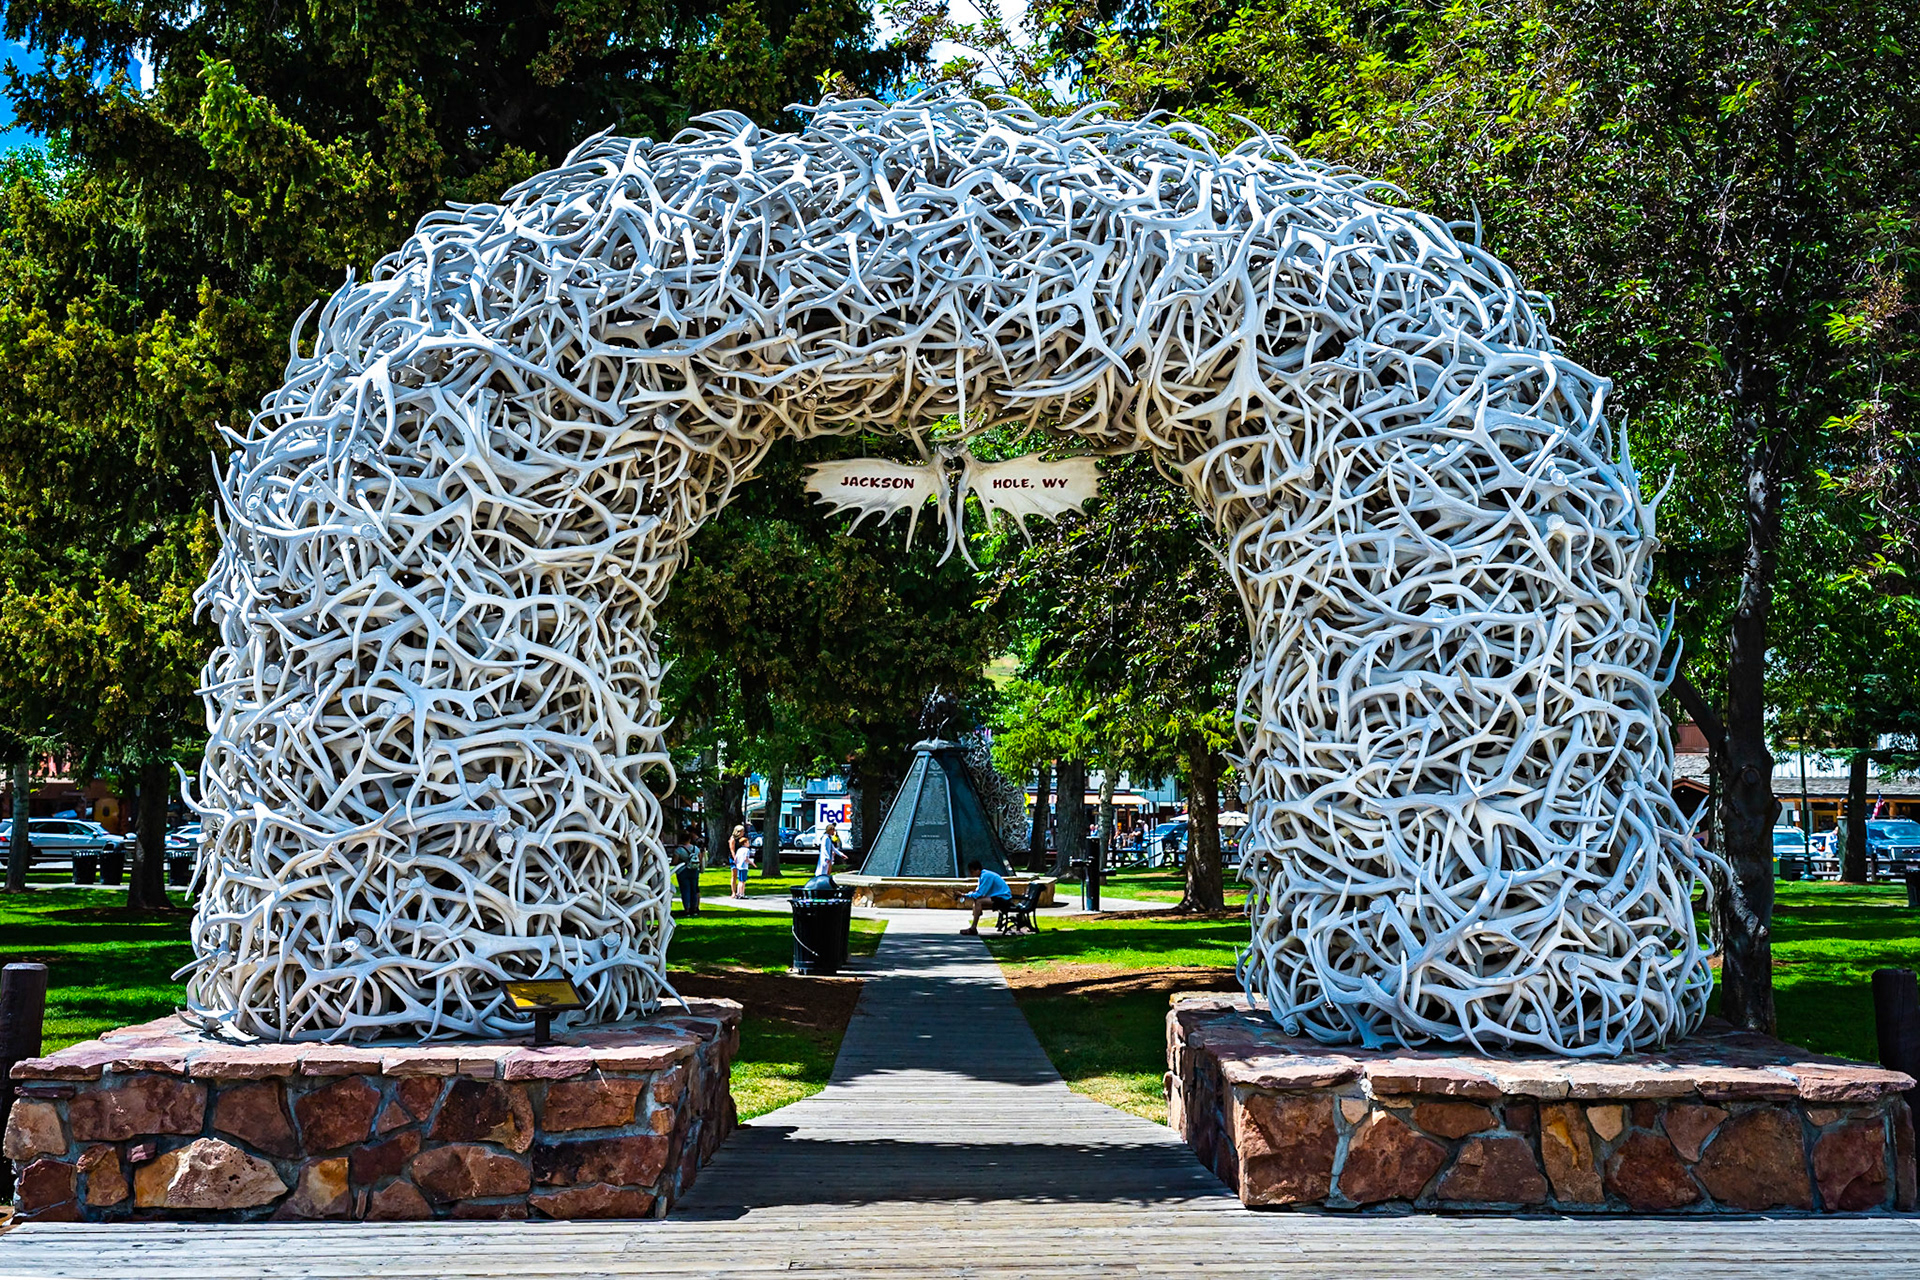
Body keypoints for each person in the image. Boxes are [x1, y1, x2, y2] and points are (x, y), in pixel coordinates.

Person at [957, 858, 1013, 936]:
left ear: (977, 870)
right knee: (977, 901)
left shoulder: (986, 876)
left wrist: (964, 895)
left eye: (972, 871)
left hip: (1003, 899)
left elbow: (980, 894)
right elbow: (979, 893)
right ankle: (974, 924)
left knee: (979, 901)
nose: (971, 874)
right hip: (998, 898)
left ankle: (973, 927)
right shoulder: (983, 876)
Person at [729, 824, 752, 898]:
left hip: (741, 859)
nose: (743, 832)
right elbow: (732, 850)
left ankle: (740, 892)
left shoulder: (742, 839)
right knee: (734, 875)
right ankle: (733, 892)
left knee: (741, 876)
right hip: (734, 858)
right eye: (742, 831)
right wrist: (734, 857)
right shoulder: (733, 839)